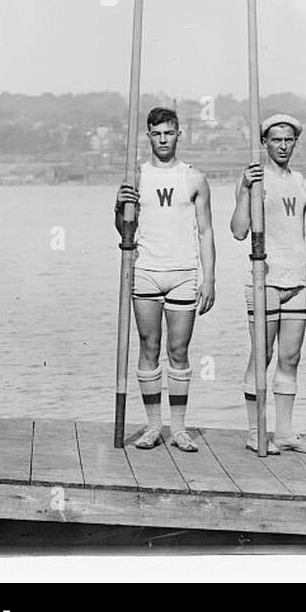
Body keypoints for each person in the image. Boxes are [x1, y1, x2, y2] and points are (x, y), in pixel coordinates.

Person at [114, 106, 216, 452]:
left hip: (183, 274)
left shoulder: (193, 178)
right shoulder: (136, 177)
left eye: (168, 133)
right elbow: (124, 231)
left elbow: (205, 232)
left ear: (178, 135)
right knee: (149, 347)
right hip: (146, 272)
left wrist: (210, 278)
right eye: (156, 134)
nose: (162, 139)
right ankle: (153, 427)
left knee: (178, 350)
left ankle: (180, 428)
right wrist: (118, 207)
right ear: (148, 136)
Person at [230, 113, 306, 455]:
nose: (282, 146)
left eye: (288, 140)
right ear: (265, 143)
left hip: (296, 280)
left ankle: (283, 432)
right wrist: (244, 190)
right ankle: (256, 431)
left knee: (291, 357)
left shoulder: (301, 182)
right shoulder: (256, 179)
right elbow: (238, 231)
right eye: (275, 140)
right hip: (264, 279)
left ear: (294, 143)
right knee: (262, 354)